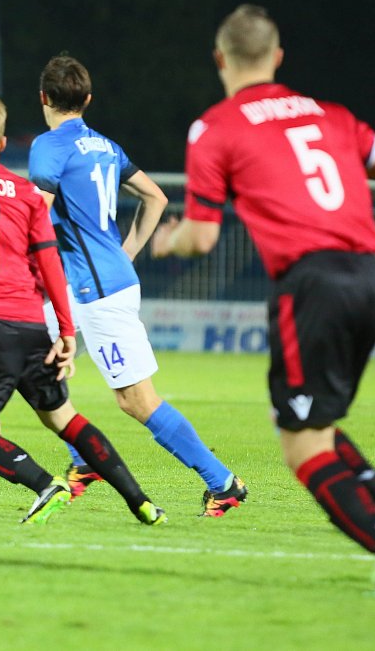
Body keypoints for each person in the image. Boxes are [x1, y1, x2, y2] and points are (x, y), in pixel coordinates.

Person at [151, 4, 375, 599]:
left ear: (220, 59)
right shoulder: (332, 115)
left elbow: (201, 237)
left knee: (302, 446)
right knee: (312, 420)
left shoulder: (215, 128)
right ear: (278, 57)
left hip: (312, 284)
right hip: (366, 279)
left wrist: (166, 240)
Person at [0, 94, 165, 525]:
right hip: (30, 325)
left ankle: (46, 484)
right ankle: (141, 501)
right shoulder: (25, 192)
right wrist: (65, 331)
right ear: (2, 144)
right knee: (64, 418)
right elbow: (49, 264)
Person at [29, 55, 247, 518]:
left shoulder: (49, 146)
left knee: (135, 400)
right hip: (88, 282)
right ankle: (82, 458)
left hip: (97, 291)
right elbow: (156, 197)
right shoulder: (106, 146)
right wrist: (126, 252)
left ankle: (223, 482)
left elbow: (36, 214)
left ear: (44, 97)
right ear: (87, 99)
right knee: (32, 356)